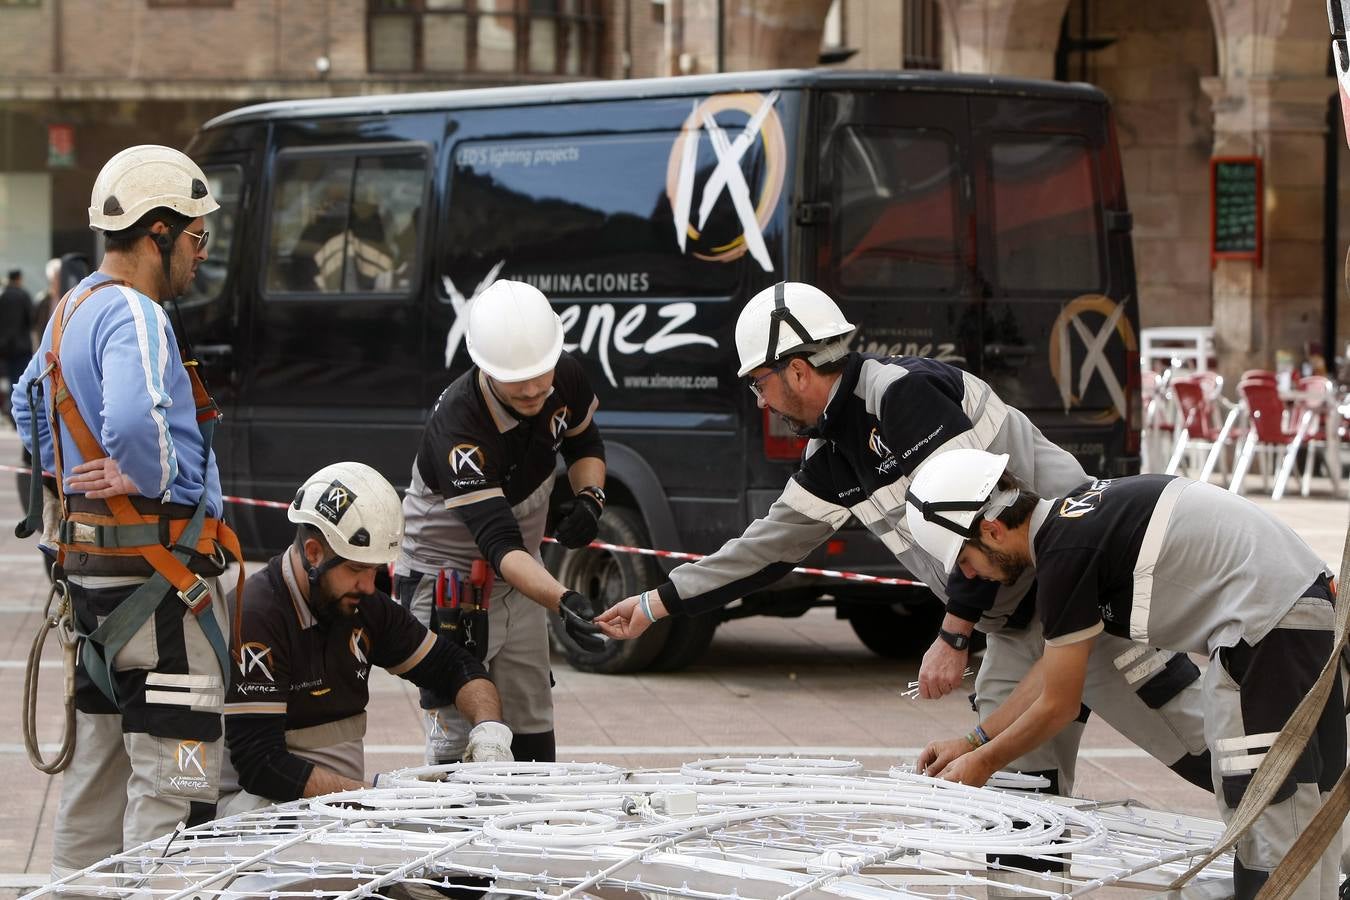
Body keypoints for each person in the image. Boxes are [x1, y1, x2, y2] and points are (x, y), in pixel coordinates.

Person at [597, 281, 1210, 797]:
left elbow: (978, 512)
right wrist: (657, 605)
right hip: (1014, 628)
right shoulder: (833, 453)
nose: (761, 401)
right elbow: (768, 548)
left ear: (799, 370)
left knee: (1205, 751)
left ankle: (1286, 838)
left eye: (759, 383)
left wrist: (952, 636)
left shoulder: (903, 396)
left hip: (1081, 596)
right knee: (1018, 799)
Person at [908, 449, 1344, 900]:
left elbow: (1058, 705)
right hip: (1297, 619)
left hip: (1267, 633)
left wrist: (982, 765)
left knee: (1267, 812)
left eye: (964, 561)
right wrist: (973, 741)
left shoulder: (1065, 552)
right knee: (1311, 805)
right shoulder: (1077, 521)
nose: (970, 576)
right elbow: (1048, 675)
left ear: (992, 530)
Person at [12, 144, 239, 882]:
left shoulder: (70, 306)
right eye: (198, 237)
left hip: (97, 590)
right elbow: (138, 420)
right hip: (163, 597)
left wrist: (73, 478)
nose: (202, 255)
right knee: (174, 788)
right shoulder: (137, 315)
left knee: (96, 781)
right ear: (160, 232)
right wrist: (144, 475)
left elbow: (24, 401)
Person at [219, 463, 512, 816]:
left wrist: (490, 730)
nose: (369, 586)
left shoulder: (361, 603)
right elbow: (262, 765)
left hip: (334, 806)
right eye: (357, 569)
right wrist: (378, 795)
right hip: (251, 808)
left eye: (375, 570)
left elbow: (454, 666)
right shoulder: (257, 614)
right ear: (314, 553)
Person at [394, 279, 606, 765]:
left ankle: (530, 833)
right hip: (445, 577)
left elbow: (585, 444)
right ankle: (458, 833)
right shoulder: (460, 425)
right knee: (462, 739)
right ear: (483, 366)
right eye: (517, 379)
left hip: (522, 574)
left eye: (541, 373)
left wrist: (590, 497)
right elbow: (499, 544)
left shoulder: (564, 376)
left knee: (533, 730)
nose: (534, 389)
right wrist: (565, 599)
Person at [0, 267, 33, 418]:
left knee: (9, 378)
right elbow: (31, 319)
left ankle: (9, 409)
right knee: (21, 381)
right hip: (22, 346)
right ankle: (19, 413)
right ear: (19, 279)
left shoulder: (3, 296)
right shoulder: (23, 295)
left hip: (5, 347)